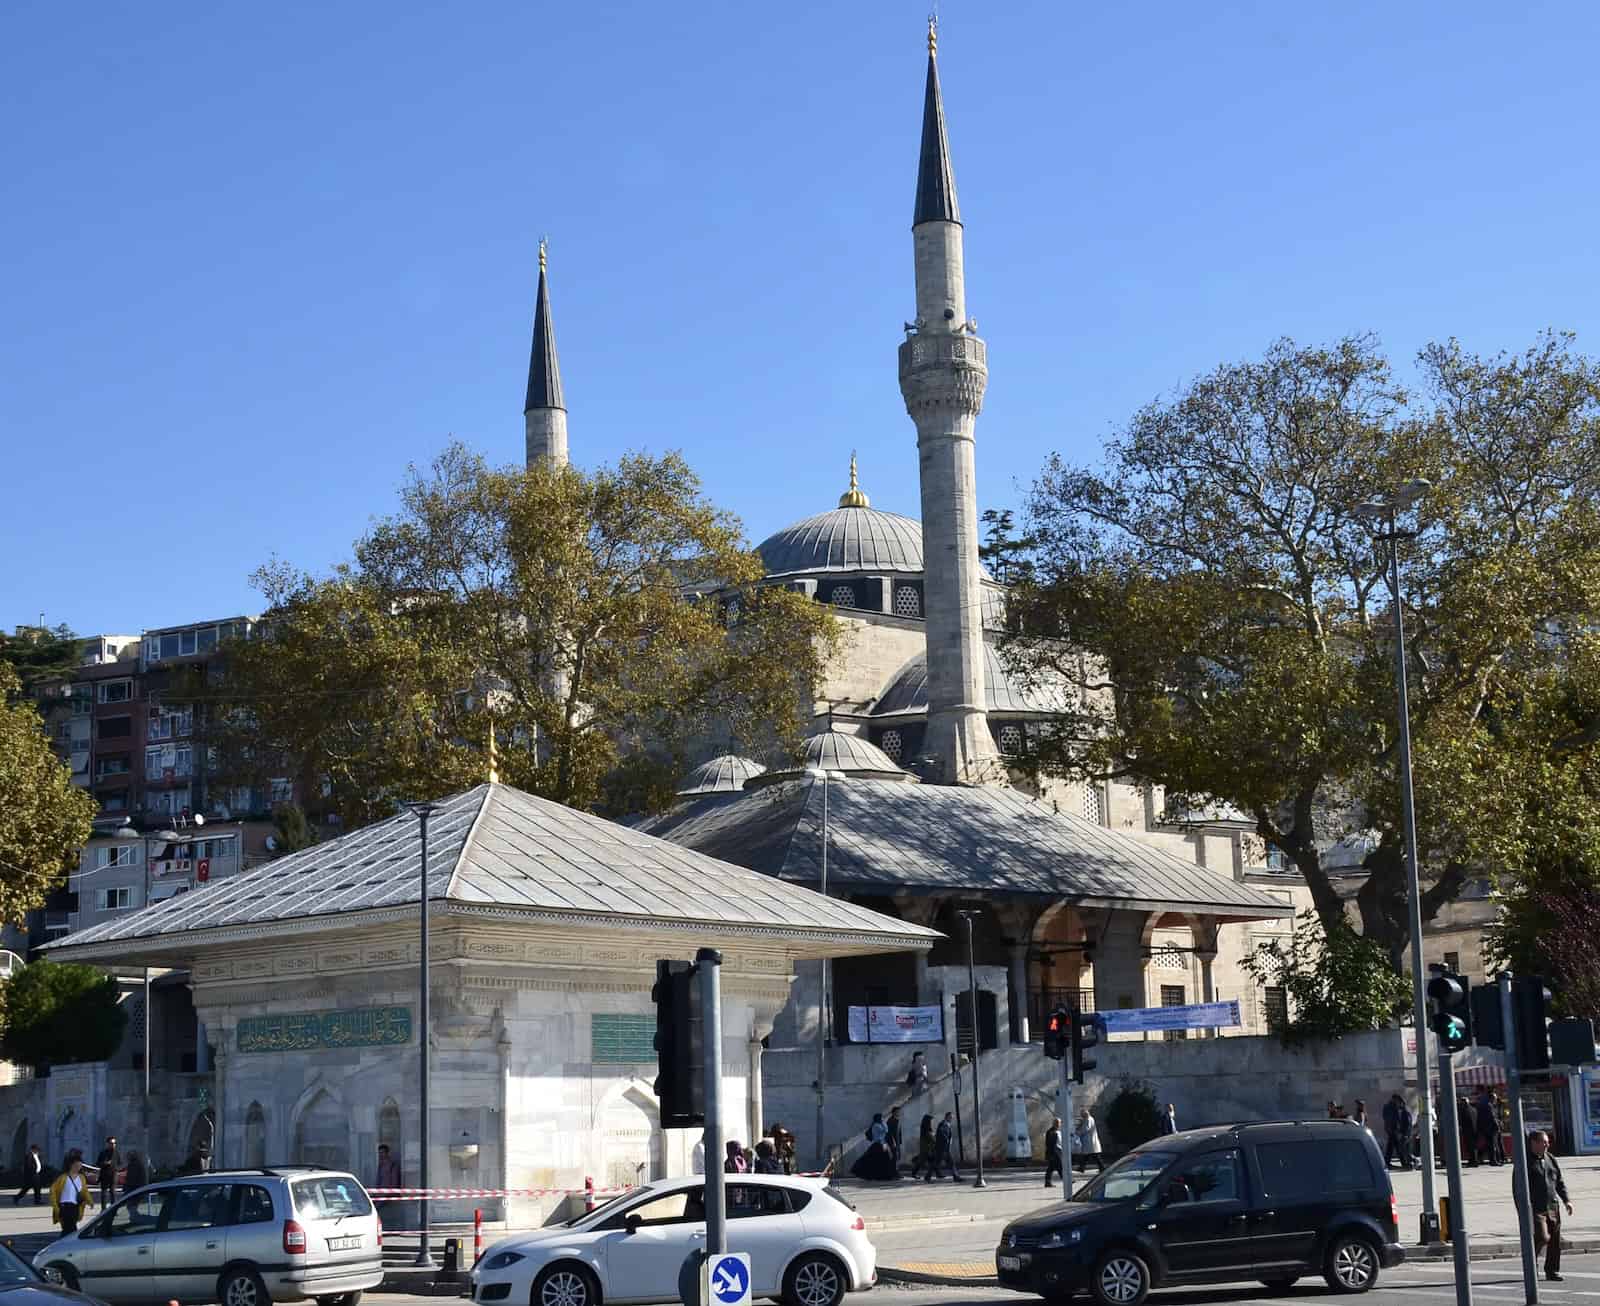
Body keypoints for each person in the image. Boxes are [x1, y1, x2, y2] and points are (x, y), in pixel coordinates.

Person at [1528, 1130, 1573, 1282]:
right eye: (1544, 1141)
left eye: (1547, 1141)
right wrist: (1522, 1209)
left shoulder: (1551, 1158)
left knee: (1555, 1240)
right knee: (1542, 1236)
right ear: (1534, 1143)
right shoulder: (1525, 1161)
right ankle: (1530, 1266)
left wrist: (1567, 1200)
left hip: (1552, 1206)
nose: (1547, 1144)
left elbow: (1559, 1181)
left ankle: (1552, 1271)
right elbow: (1518, 1188)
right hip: (1536, 1207)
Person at [50, 1155, 91, 1234]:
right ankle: (68, 1244)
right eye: (77, 1165)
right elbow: (52, 1190)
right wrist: (55, 1205)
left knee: (69, 1229)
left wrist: (90, 1201)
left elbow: (85, 1191)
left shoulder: (81, 1177)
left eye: (80, 1166)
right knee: (69, 1229)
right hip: (64, 1207)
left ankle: (66, 1243)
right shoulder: (63, 1178)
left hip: (75, 1207)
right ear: (71, 1166)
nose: (78, 1167)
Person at [851, 1115, 897, 1182]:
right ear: (878, 1118)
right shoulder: (876, 1126)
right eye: (881, 1118)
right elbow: (885, 1130)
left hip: (883, 1144)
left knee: (885, 1160)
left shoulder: (879, 1124)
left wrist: (883, 1123)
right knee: (877, 1160)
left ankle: (884, 1176)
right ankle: (879, 1176)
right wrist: (883, 1123)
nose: (882, 1119)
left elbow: (886, 1130)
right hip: (878, 1144)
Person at [927, 1111, 961, 1182]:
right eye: (951, 1117)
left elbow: (946, 1134)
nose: (952, 1119)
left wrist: (949, 1139)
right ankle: (956, 1177)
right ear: (947, 1117)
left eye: (952, 1117)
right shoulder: (942, 1124)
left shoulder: (947, 1124)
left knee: (938, 1163)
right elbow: (941, 1133)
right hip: (942, 1148)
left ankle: (928, 1176)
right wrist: (947, 1140)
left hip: (944, 1148)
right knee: (945, 1163)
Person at [1383, 1094, 1413, 1170]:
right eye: (1397, 1100)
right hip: (1393, 1129)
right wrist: (1396, 1129)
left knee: (1393, 1146)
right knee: (1398, 1147)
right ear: (1394, 1099)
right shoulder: (1392, 1107)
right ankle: (1404, 1163)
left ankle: (1388, 1162)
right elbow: (1395, 1119)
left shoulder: (1389, 1107)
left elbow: (1389, 1118)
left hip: (1392, 1129)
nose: (1398, 1102)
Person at [95, 1136, 120, 1208]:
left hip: (113, 1175)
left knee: (113, 1192)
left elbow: (120, 1163)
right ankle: (103, 1209)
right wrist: (105, 1163)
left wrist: (117, 1169)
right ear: (108, 1144)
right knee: (104, 1193)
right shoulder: (103, 1153)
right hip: (104, 1175)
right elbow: (98, 1163)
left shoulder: (116, 1153)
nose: (113, 1144)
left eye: (115, 1143)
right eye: (111, 1143)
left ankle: (113, 1208)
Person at [909, 1114, 934, 1179]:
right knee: (922, 1161)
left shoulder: (926, 1126)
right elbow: (928, 1136)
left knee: (931, 1160)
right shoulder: (926, 1126)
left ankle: (937, 1173)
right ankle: (914, 1173)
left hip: (926, 1145)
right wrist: (933, 1139)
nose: (931, 1121)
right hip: (925, 1146)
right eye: (930, 1120)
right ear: (927, 1120)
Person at [1043, 1117, 1064, 1187]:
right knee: (1060, 1166)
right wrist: (1051, 1154)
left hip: (1058, 1151)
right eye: (1057, 1123)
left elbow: (1059, 1142)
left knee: (1051, 1168)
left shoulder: (1058, 1131)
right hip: (1054, 1153)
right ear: (1054, 1123)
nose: (1058, 1124)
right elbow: (1049, 1144)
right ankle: (1066, 1180)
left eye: (1059, 1123)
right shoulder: (1051, 1132)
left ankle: (1047, 1182)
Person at [1458, 1096, 1478, 1166]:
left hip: (1468, 1131)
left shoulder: (1464, 1111)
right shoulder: (1474, 1109)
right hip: (1474, 1130)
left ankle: (1473, 1161)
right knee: (1474, 1146)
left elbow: (1463, 1121)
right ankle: (1474, 1160)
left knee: (1470, 1146)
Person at [886, 1107, 904, 1171]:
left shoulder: (897, 1120)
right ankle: (893, 1172)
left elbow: (899, 1132)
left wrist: (900, 1141)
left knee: (897, 1156)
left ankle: (895, 1171)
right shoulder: (890, 1120)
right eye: (897, 1111)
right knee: (894, 1156)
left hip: (897, 1141)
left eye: (899, 1111)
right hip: (892, 1141)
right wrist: (893, 1141)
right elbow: (889, 1132)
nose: (898, 1113)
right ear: (893, 1112)